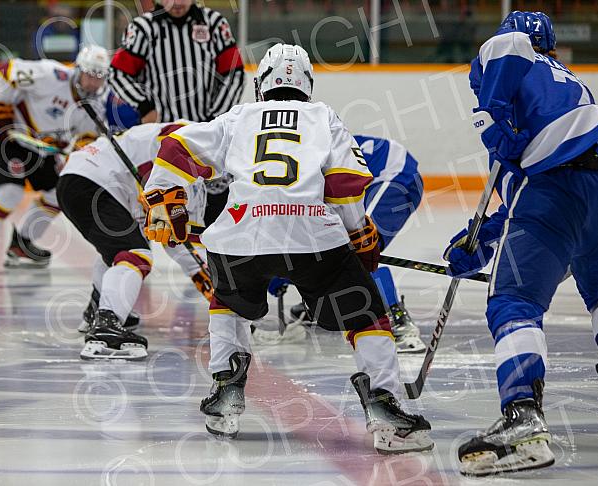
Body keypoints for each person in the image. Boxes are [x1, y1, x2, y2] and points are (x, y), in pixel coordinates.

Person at [141, 43, 434, 453]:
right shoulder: (322, 115)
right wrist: (357, 232)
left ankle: (226, 392)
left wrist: (160, 196)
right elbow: (345, 180)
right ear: (308, 85)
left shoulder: (239, 116)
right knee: (366, 315)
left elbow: (175, 147)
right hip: (312, 234)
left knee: (229, 302)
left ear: (260, 84)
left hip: (239, 231)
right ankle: (385, 410)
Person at [444, 11, 598, 476]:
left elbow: (507, 46)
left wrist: (492, 117)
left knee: (514, 299)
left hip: (557, 193)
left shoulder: (510, 52)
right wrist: (483, 240)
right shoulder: (567, 87)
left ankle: (522, 419)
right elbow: (523, 190)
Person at [58, 122, 213, 360]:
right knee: (134, 252)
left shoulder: (193, 170)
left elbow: (180, 243)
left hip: (84, 179)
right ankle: (106, 326)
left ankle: (98, 307)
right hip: (93, 180)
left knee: (121, 251)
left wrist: (217, 292)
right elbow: (171, 138)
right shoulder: (196, 136)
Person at [264, 135, 426, 352]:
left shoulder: (300, 161)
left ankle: (395, 317)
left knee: (360, 252)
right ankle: (330, 301)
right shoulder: (298, 153)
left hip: (394, 177)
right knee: (343, 249)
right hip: (374, 180)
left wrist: (280, 269)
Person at [0, 45, 110, 274]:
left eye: (100, 76)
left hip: (42, 149)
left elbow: (87, 138)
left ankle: (21, 245)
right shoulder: (49, 75)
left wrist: (77, 156)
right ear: (78, 69)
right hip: (7, 138)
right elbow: (6, 71)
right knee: (9, 192)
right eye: (90, 74)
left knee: (60, 193)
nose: (94, 82)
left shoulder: (97, 104)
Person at [108, 0, 245, 229]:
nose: (177, 2)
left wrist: (216, 117)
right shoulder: (144, 28)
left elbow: (234, 73)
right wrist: (145, 107)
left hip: (207, 134)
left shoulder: (213, 23)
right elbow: (119, 73)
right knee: (170, 214)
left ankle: (215, 263)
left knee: (216, 212)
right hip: (164, 138)